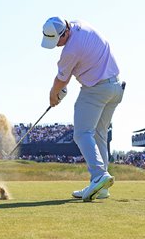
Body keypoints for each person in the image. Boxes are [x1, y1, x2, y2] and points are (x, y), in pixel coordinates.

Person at [41, 17, 124, 202]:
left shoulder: (70, 50)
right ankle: (101, 188)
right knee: (99, 134)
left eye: (56, 41)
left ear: (65, 33)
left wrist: (53, 96)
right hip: (115, 87)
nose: (55, 46)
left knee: (81, 133)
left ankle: (98, 176)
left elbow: (61, 81)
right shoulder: (80, 24)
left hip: (97, 89)